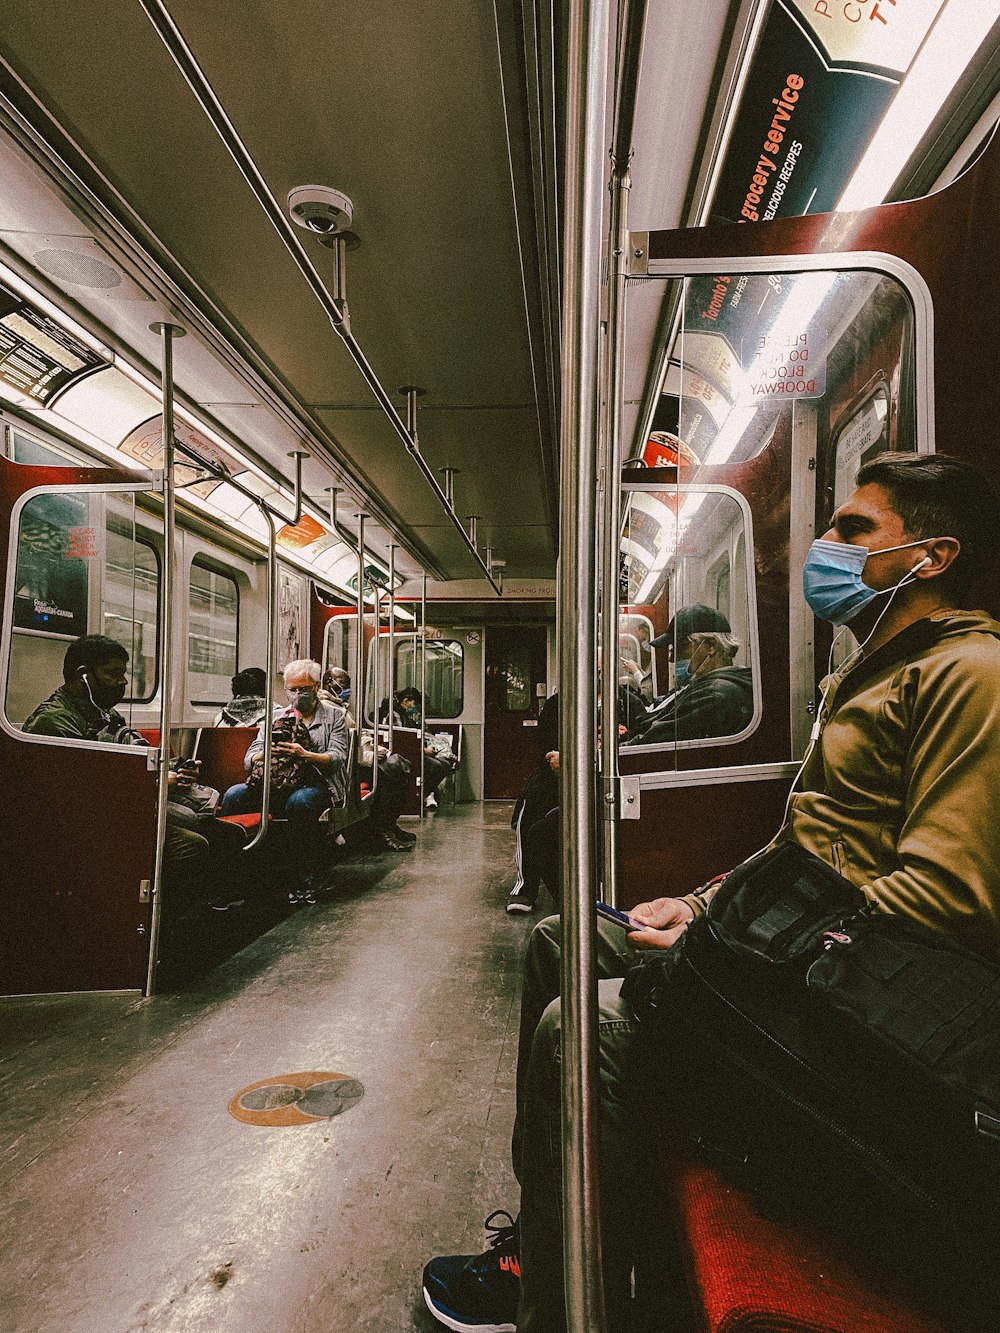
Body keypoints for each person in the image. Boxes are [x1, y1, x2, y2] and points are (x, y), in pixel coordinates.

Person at [422, 452, 1000, 1333]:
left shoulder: (970, 675)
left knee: (581, 1031)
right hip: (800, 958)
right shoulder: (865, 675)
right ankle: (545, 1234)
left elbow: (943, 900)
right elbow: (800, 852)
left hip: (859, 1005)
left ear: (933, 555)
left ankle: (558, 1306)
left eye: (853, 529)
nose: (825, 544)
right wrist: (699, 906)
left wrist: (724, 947)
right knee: (559, 938)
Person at [22, 634, 243, 905]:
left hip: (119, 809)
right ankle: (157, 926)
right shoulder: (55, 722)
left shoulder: (104, 713)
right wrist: (158, 782)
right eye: (113, 674)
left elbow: (134, 757)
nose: (123, 682)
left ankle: (203, 912)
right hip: (87, 824)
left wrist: (176, 769)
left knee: (220, 831)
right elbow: (91, 788)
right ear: (84, 676)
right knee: (190, 845)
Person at [221, 659, 347, 905]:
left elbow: (337, 757)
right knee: (233, 795)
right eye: (292, 689)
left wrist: (304, 754)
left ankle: (303, 879)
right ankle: (232, 879)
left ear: (316, 687)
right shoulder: (276, 717)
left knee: (299, 802)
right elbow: (250, 756)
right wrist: (270, 752)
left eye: (304, 689)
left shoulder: (335, 717)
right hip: (276, 780)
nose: (297, 695)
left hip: (317, 782)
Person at [624, 605, 752, 744]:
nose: (671, 658)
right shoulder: (699, 685)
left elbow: (655, 741)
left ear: (711, 646)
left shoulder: (712, 695)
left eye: (680, 647)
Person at [325, 669, 414, 852]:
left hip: (355, 761)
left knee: (400, 766)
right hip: (345, 766)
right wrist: (369, 756)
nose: (347, 689)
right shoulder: (329, 708)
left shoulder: (340, 706)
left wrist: (378, 750)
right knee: (389, 776)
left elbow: (357, 738)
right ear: (329, 683)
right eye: (343, 684)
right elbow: (340, 747)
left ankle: (389, 824)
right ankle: (381, 829)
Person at [382, 688, 456, 809]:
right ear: (405, 701)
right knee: (436, 766)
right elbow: (400, 741)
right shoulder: (395, 715)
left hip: (413, 750)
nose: (415, 706)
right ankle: (421, 794)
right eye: (414, 703)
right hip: (402, 753)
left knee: (445, 764)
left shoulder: (407, 715)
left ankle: (425, 793)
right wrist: (422, 751)